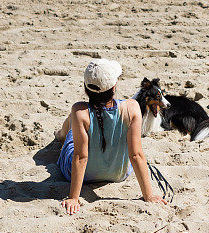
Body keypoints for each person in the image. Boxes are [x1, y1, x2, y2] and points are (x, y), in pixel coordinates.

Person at [55, 58, 168, 214]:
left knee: (71, 128)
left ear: (86, 88)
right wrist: (148, 195)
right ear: (114, 86)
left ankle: (60, 135)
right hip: (119, 173)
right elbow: (136, 155)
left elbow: (80, 157)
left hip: (83, 175)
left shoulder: (79, 110)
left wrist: (74, 198)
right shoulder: (131, 107)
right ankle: (62, 133)